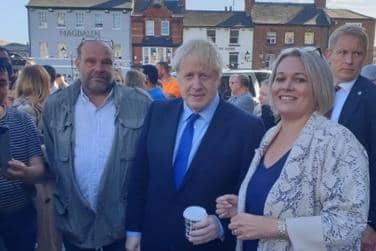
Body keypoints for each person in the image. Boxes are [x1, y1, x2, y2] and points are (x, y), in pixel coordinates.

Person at [216, 47, 369, 250]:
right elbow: (280, 199)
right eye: (280, 78)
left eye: (299, 79)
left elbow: (349, 224)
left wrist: (274, 228)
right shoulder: (270, 136)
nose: (287, 86)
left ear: (318, 86)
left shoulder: (338, 142)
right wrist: (245, 203)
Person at [125, 39, 265, 251]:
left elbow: (252, 197)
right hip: (155, 240)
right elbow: (140, 175)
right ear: (177, 77)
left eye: (205, 76)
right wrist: (133, 230)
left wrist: (221, 226)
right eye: (189, 76)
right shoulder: (158, 113)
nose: (196, 85)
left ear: (218, 79)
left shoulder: (247, 128)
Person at [42, 40, 151, 250]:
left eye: (106, 62)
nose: (99, 68)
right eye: (91, 61)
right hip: (75, 228)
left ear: (114, 66)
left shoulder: (141, 103)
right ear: (77, 63)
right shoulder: (55, 106)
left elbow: (150, 165)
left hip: (122, 229)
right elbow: (54, 160)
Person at [325, 24, 376, 250]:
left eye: (356, 54)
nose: (349, 60)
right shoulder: (314, 93)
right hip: (313, 212)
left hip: (354, 216)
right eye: (342, 52)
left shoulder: (372, 98)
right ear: (329, 55)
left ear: (365, 57)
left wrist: (372, 222)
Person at [12, 64, 61, 251]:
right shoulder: (28, 110)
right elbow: (30, 148)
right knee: (47, 234)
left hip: (30, 178)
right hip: (39, 179)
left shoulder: (22, 107)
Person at [0, 60, 46, 251]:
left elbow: (39, 169)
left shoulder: (22, 120)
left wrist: (26, 172)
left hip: (18, 217)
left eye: (1, 82)